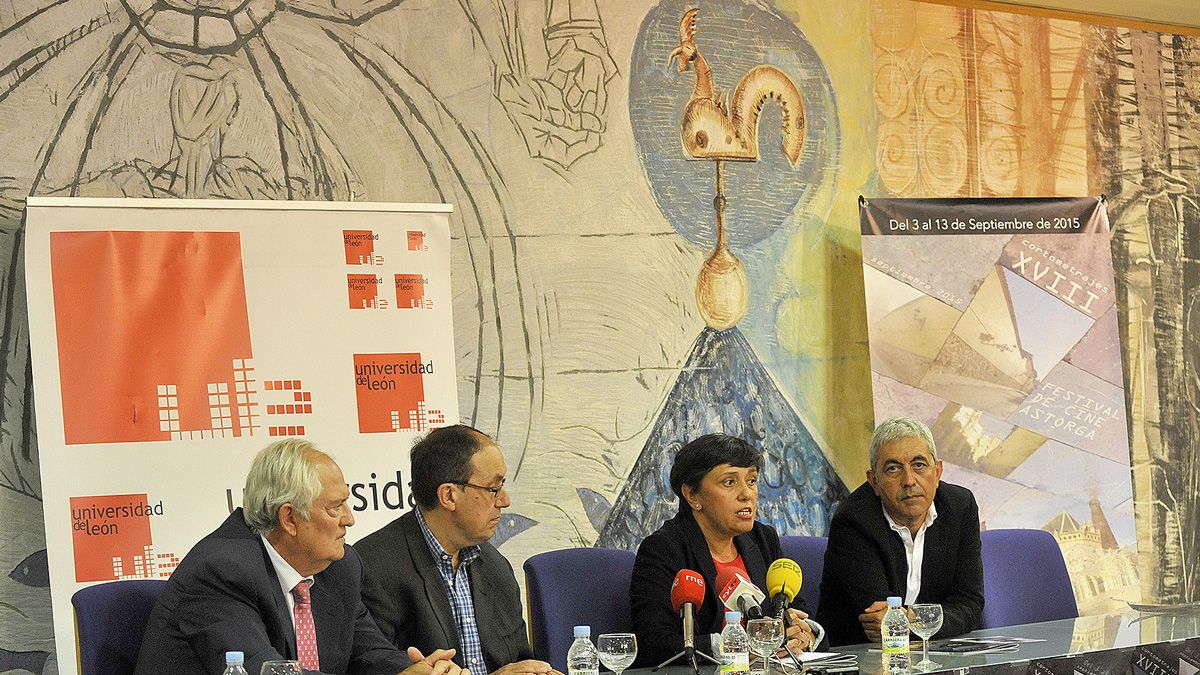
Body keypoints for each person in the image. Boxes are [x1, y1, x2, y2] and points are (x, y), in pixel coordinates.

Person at [135, 438, 465, 675]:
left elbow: (367, 652)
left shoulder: (340, 567)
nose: (350, 519)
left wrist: (412, 671)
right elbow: (264, 670)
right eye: (336, 507)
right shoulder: (221, 572)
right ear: (290, 519)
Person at [355, 425, 554, 675]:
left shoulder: (495, 566)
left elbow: (519, 659)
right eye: (494, 489)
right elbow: (373, 667)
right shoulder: (372, 568)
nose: (505, 500)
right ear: (449, 496)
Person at [629, 434, 821, 667]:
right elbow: (654, 643)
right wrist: (737, 647)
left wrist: (805, 636)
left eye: (751, 481)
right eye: (729, 482)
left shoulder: (763, 539)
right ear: (692, 495)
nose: (747, 494)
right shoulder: (664, 549)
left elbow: (798, 613)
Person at [816, 416, 984, 646]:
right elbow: (881, 622)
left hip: (935, 655)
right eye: (893, 468)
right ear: (874, 481)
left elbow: (970, 603)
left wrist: (911, 618)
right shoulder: (853, 520)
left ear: (938, 472)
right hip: (860, 659)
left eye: (919, 465)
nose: (909, 480)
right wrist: (926, 621)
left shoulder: (960, 507)